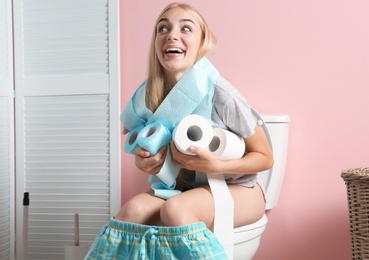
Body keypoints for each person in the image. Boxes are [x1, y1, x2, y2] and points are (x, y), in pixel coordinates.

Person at [85, 2, 273, 259]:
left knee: (175, 211)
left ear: (202, 42)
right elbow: (146, 153)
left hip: (240, 189)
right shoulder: (148, 97)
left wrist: (214, 166)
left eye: (186, 28)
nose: (172, 34)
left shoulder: (221, 93)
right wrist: (146, 164)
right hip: (179, 189)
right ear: (156, 43)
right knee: (132, 211)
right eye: (163, 28)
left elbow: (265, 157)